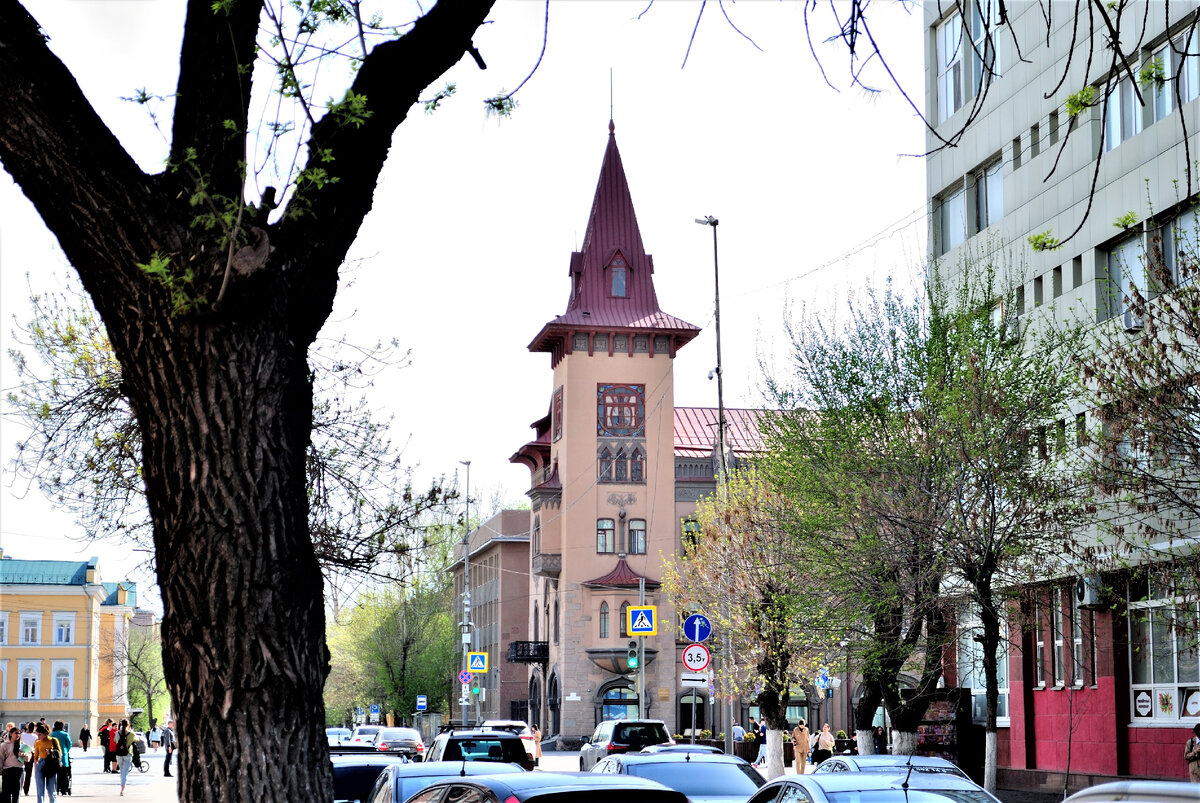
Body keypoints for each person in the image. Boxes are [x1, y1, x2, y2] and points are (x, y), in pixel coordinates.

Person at [32, 723, 60, 803]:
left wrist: (51, 753)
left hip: (51, 765)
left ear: (45, 733)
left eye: (39, 735)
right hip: (41, 764)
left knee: (51, 789)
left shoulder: (53, 740)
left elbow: (59, 753)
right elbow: (35, 756)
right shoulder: (37, 742)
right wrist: (36, 769)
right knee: (40, 789)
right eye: (37, 734)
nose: (38, 737)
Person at [1, 727, 27, 803]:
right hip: (7, 770)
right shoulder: (4, 745)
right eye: (16, 733)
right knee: (6, 793)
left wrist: (23, 755)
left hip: (19, 770)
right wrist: (0, 768)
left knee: (16, 792)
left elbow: (28, 758)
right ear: (11, 734)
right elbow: (1, 758)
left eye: (19, 733)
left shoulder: (22, 745)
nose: (18, 735)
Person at [113, 720, 137, 797]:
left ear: (121, 724)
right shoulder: (131, 734)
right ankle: (122, 789)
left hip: (119, 754)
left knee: (121, 770)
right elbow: (137, 739)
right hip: (127, 754)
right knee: (125, 772)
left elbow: (115, 740)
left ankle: (122, 787)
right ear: (128, 725)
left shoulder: (117, 733)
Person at [49, 723, 71, 798]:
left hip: (54, 756)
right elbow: (69, 744)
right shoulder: (65, 734)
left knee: (56, 774)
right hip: (63, 755)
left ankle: (56, 788)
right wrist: (66, 750)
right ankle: (64, 789)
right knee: (64, 773)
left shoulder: (52, 734)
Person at [20, 724, 37, 795]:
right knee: (28, 773)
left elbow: (20, 742)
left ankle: (19, 788)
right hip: (30, 754)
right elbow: (35, 746)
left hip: (22, 752)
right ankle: (26, 790)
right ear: (34, 728)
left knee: (20, 771)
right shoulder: (35, 736)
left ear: (27, 727)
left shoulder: (22, 734)